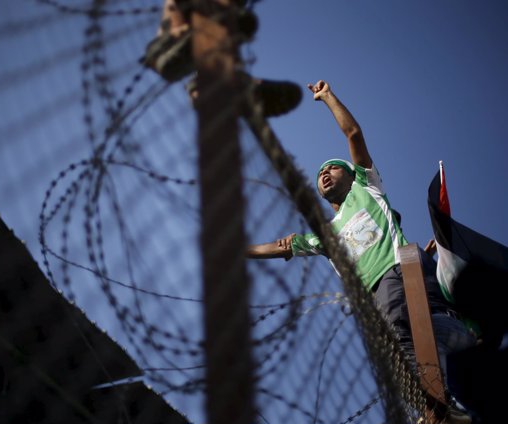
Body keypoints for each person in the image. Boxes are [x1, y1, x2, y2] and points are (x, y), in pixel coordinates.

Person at [246, 80, 477, 423]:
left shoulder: (367, 189)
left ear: (351, 175)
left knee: (402, 343)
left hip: (398, 273)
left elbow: (353, 133)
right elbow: (281, 246)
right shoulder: (325, 236)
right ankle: (466, 356)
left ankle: (438, 406)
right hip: (376, 298)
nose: (324, 173)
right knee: (426, 340)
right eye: (320, 172)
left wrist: (327, 97)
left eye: (332, 167)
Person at [141, 0, 302, 118]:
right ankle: (174, 54)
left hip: (199, 41)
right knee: (233, 21)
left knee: (235, 22)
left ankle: (226, 84)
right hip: (172, 41)